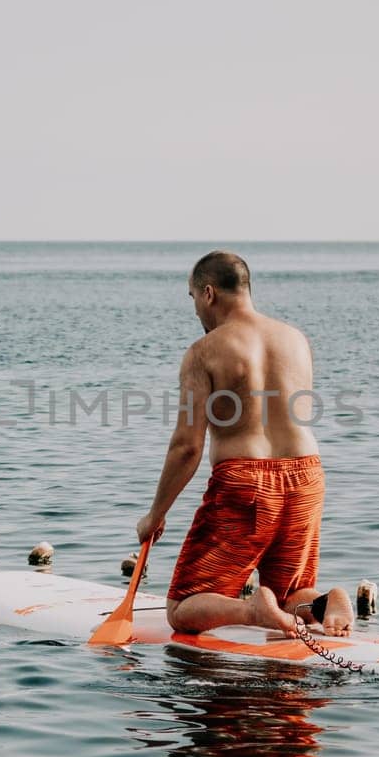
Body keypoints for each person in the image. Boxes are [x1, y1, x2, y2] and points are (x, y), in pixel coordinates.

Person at [136, 250, 352, 637]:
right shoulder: (294, 339)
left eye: (192, 300)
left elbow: (187, 446)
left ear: (208, 293)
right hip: (306, 474)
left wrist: (155, 515)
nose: (196, 312)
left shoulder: (204, 352)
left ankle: (253, 611)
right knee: (289, 595)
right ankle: (323, 602)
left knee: (182, 608)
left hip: (246, 482)